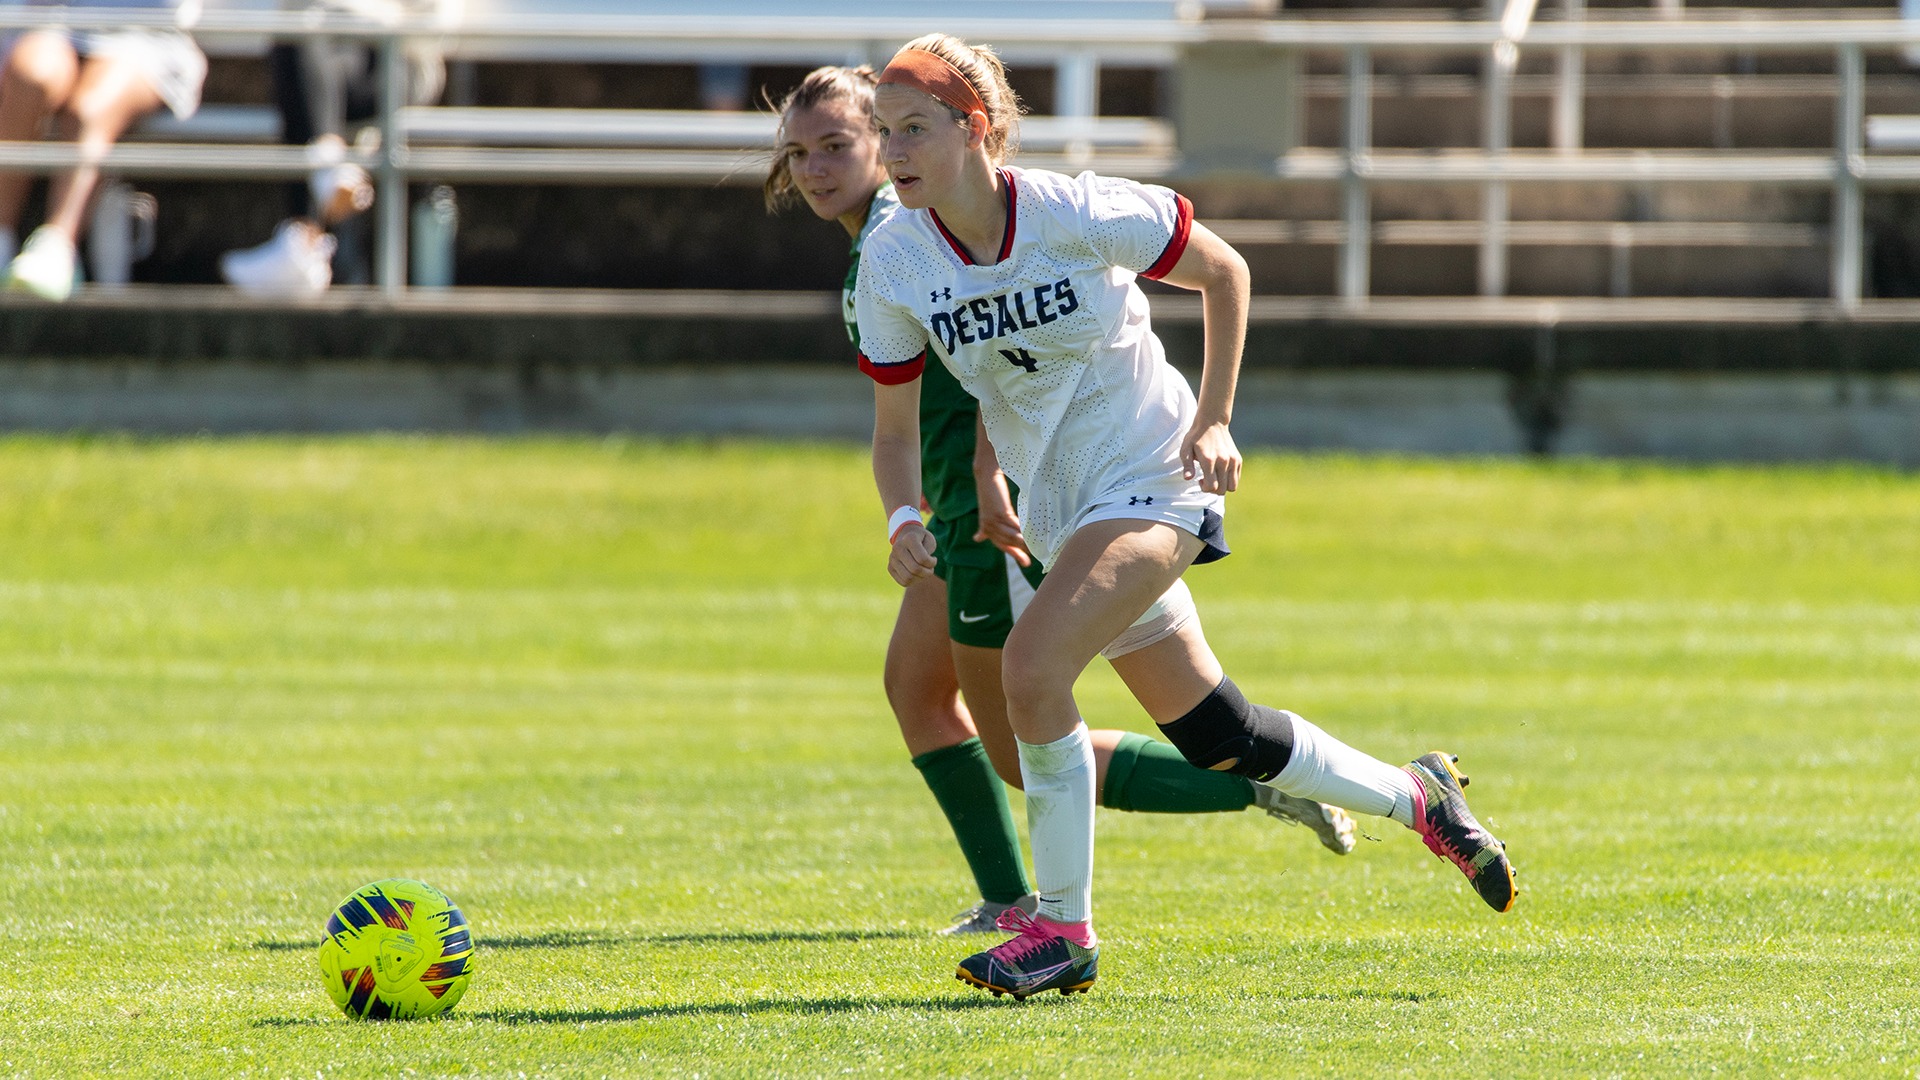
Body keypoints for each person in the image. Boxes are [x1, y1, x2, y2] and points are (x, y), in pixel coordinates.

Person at [854, 34, 1518, 999]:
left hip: (1155, 476)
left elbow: (1225, 272)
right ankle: (1418, 796)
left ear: (977, 128)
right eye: (885, 132)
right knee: (1221, 734)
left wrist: (1214, 418)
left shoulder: (1073, 207)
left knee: (1033, 672)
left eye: (914, 129)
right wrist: (902, 513)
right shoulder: (896, 257)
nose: (895, 151)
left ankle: (1061, 930)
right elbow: (903, 426)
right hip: (1058, 511)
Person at [767, 64, 1357, 936]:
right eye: (799, 153)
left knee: (1021, 732)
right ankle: (1019, 900)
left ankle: (1241, 789)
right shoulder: (887, 243)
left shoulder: (921, 222)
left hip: (995, 510)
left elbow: (1010, 356)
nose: (820, 168)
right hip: (948, 513)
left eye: (842, 145)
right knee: (916, 691)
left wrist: (980, 479)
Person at [219, 0, 449, 294]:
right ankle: (325, 183)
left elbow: (427, 23)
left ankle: (303, 234)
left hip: (399, 58)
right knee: (299, 40)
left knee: (302, 63)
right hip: (331, 53)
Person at [0, 0, 207, 299]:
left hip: (144, 33)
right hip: (51, 21)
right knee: (30, 78)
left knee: (89, 110)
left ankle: (57, 248)